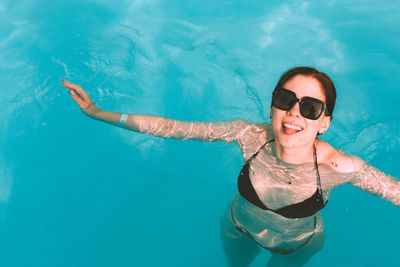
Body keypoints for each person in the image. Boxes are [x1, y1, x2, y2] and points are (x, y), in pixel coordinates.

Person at [61, 67, 399, 267]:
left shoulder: (340, 166)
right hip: (237, 227)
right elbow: (174, 127)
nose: (295, 113)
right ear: (272, 107)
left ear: (324, 122)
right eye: (285, 100)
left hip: (295, 246)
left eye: (310, 107)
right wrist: (98, 113)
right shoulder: (248, 136)